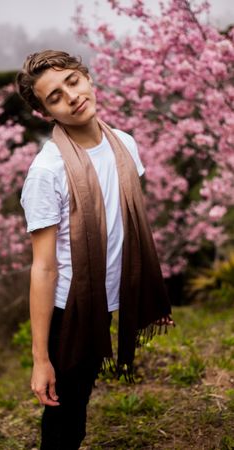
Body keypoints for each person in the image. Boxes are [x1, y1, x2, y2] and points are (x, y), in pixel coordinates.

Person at [16, 50, 175, 450]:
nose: (70, 96)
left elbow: (130, 225)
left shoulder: (124, 144)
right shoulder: (47, 171)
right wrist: (41, 358)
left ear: (87, 78)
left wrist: (146, 297)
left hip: (106, 298)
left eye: (72, 81)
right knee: (67, 417)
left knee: (78, 401)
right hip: (69, 309)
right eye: (54, 97)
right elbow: (44, 269)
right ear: (45, 113)